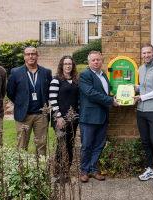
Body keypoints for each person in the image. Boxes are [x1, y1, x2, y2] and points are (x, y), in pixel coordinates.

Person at [79, 51, 119, 182]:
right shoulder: (85, 75)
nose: (96, 62)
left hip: (102, 116)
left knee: (98, 145)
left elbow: (105, 93)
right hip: (89, 117)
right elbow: (91, 93)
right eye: (93, 60)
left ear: (101, 61)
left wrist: (115, 97)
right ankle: (84, 171)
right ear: (89, 62)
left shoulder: (104, 75)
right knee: (86, 145)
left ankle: (93, 169)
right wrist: (110, 101)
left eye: (98, 60)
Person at [132, 43, 153, 185]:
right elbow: (146, 87)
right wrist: (135, 87)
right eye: (144, 53)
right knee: (146, 141)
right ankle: (151, 170)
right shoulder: (141, 68)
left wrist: (141, 97)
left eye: (148, 52)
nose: (146, 55)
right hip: (141, 111)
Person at [7, 46, 52, 156]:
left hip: (41, 115)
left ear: (37, 56)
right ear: (24, 57)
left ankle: (41, 169)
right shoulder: (16, 72)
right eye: (28, 54)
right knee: (22, 145)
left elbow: (49, 92)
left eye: (33, 54)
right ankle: (22, 170)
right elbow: (10, 92)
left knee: (41, 144)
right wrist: (21, 103)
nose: (30, 56)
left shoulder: (46, 72)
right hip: (23, 115)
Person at [49, 55, 80, 183]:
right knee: (62, 146)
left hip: (74, 118)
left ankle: (67, 170)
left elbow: (78, 100)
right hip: (60, 119)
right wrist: (58, 117)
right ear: (61, 65)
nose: (68, 66)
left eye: (70, 63)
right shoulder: (56, 80)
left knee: (70, 145)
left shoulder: (75, 81)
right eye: (65, 63)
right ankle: (58, 172)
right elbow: (53, 99)